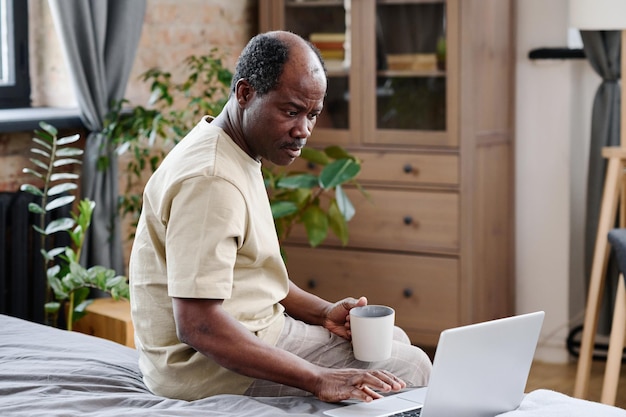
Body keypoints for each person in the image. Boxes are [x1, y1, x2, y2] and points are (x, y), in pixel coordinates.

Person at [129, 30, 432, 404]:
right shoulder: (211, 181)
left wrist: (322, 313)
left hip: (254, 329)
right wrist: (320, 378)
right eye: (291, 111)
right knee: (413, 366)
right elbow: (198, 325)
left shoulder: (231, 148)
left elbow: (250, 272)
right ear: (245, 93)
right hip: (204, 372)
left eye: (313, 114)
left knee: (391, 343)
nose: (303, 130)